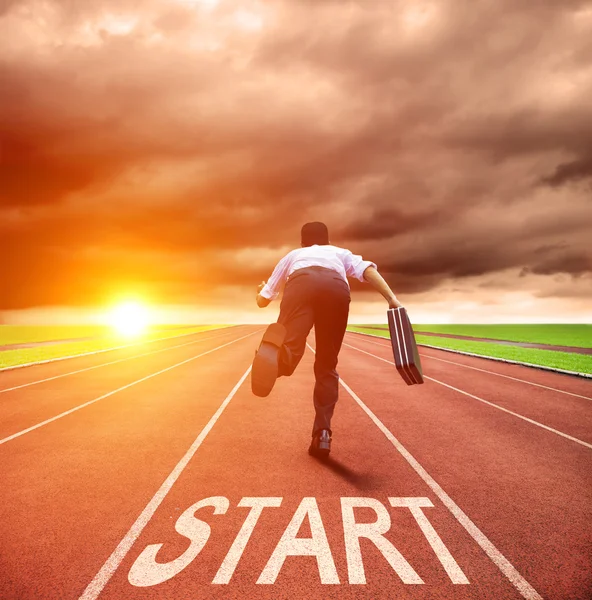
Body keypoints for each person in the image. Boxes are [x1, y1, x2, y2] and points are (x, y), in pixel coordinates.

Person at [252, 221, 402, 458]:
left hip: (300, 285)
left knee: (291, 348)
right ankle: (322, 434)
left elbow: (263, 301)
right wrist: (392, 299)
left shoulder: (294, 255)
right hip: (335, 289)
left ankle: (276, 359)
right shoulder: (340, 253)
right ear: (328, 241)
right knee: (326, 365)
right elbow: (368, 271)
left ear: (302, 242)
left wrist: (260, 291)